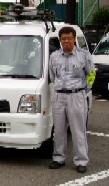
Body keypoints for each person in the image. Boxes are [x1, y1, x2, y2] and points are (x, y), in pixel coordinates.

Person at [48, 26, 95, 173]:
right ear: (60, 40)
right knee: (59, 130)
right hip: (59, 97)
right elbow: (52, 76)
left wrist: (83, 90)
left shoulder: (83, 55)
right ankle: (58, 158)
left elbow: (91, 74)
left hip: (76, 96)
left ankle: (81, 160)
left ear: (74, 39)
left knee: (78, 130)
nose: (66, 41)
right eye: (63, 39)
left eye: (69, 38)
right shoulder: (54, 56)